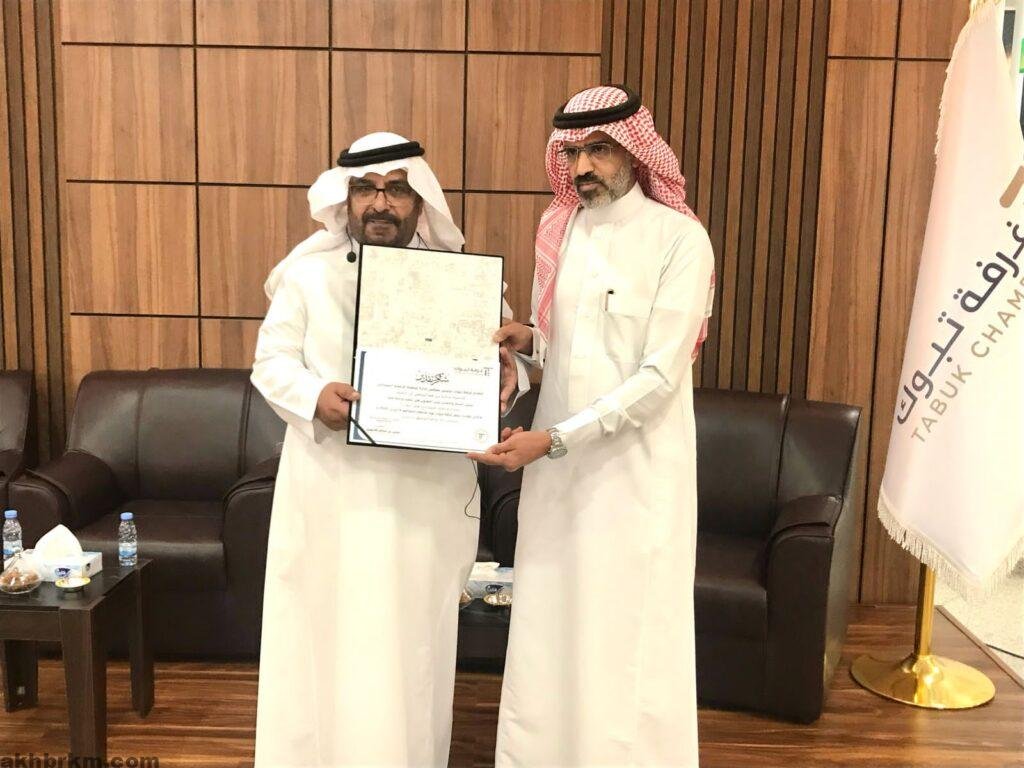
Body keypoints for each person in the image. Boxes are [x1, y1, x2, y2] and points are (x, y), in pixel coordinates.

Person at [252, 131, 525, 767]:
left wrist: (509, 379)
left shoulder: (460, 280)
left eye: (397, 190)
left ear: (419, 201)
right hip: (332, 489)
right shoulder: (307, 276)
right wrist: (313, 394)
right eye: (366, 189)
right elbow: (271, 363)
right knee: (327, 635)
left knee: (412, 645)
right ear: (344, 199)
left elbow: (504, 368)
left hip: (423, 497)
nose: (381, 203)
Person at [470, 85, 716, 766]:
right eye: (573, 151)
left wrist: (554, 440)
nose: (582, 166)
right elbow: (573, 352)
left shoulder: (680, 240)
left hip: (635, 475)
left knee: (626, 632)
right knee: (552, 624)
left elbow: (658, 378)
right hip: (558, 472)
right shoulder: (562, 230)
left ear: (635, 152)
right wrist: (527, 345)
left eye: (600, 149)